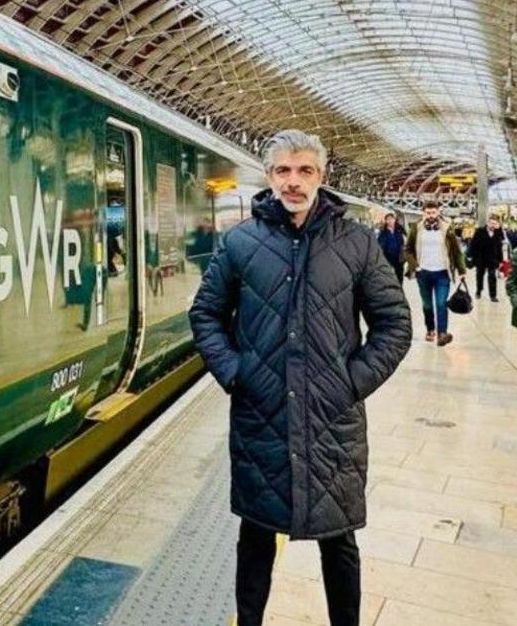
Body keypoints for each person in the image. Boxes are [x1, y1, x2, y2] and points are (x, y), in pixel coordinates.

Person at [189, 130, 411, 626]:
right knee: (255, 536)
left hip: (333, 421)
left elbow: (395, 324)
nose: (294, 181)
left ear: (321, 176)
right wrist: (236, 373)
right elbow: (205, 314)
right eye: (283, 171)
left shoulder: (356, 243)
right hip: (262, 416)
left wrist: (351, 383)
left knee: (340, 540)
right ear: (269, 177)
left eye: (305, 170)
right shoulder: (241, 242)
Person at [404, 201, 467, 345]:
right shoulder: (416, 228)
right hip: (423, 273)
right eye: (428, 212)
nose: (431, 215)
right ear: (423, 213)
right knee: (427, 305)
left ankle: (442, 333)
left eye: (433, 212)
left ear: (438, 212)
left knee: (441, 303)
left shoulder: (447, 228)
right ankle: (430, 329)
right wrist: (415, 266)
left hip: (442, 273)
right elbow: (407, 249)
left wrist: (462, 270)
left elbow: (456, 251)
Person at [468, 215, 504, 302]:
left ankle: (493, 295)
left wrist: (500, 260)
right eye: (491, 223)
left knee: (492, 277)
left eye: (495, 224)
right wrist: (472, 257)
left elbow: (500, 247)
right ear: (488, 223)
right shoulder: (480, 231)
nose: (493, 225)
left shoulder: (498, 233)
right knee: (479, 275)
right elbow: (473, 245)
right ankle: (478, 291)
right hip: (481, 258)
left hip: (493, 259)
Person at [376, 213, 405, 284]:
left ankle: (399, 289)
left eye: (391, 219)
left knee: (399, 277)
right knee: (388, 277)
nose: (390, 221)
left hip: (398, 259)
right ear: (386, 221)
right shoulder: (383, 233)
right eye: (388, 219)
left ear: (394, 220)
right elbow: (379, 246)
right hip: (388, 259)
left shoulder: (399, 231)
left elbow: (403, 244)